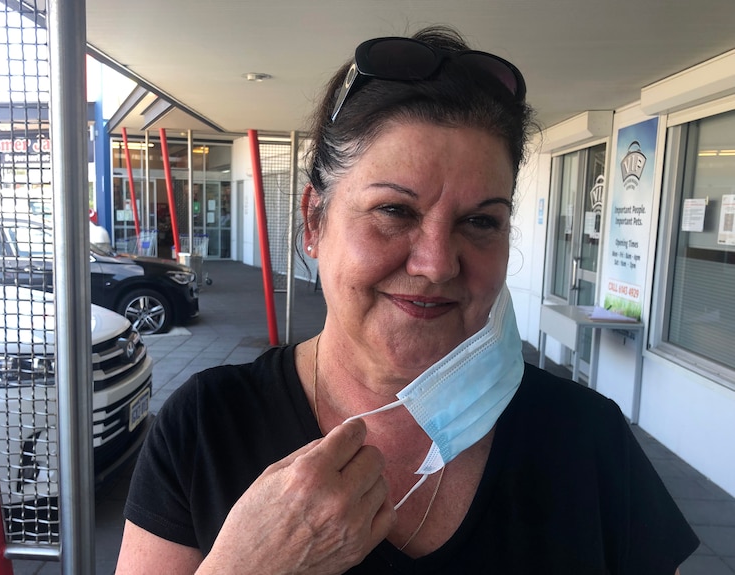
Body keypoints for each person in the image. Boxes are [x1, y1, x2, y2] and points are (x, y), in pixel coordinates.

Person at [116, 25, 699, 574]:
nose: (438, 263)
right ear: (314, 223)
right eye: (395, 211)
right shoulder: (205, 428)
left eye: (481, 221)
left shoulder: (588, 441)